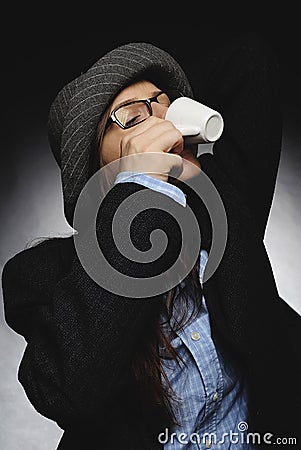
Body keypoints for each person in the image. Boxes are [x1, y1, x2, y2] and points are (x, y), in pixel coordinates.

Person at [1, 34, 301, 450]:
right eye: (131, 118)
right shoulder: (40, 276)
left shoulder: (225, 207)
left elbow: (250, 62)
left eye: (165, 105)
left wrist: (174, 111)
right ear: (97, 173)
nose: (163, 125)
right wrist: (139, 187)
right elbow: (66, 392)